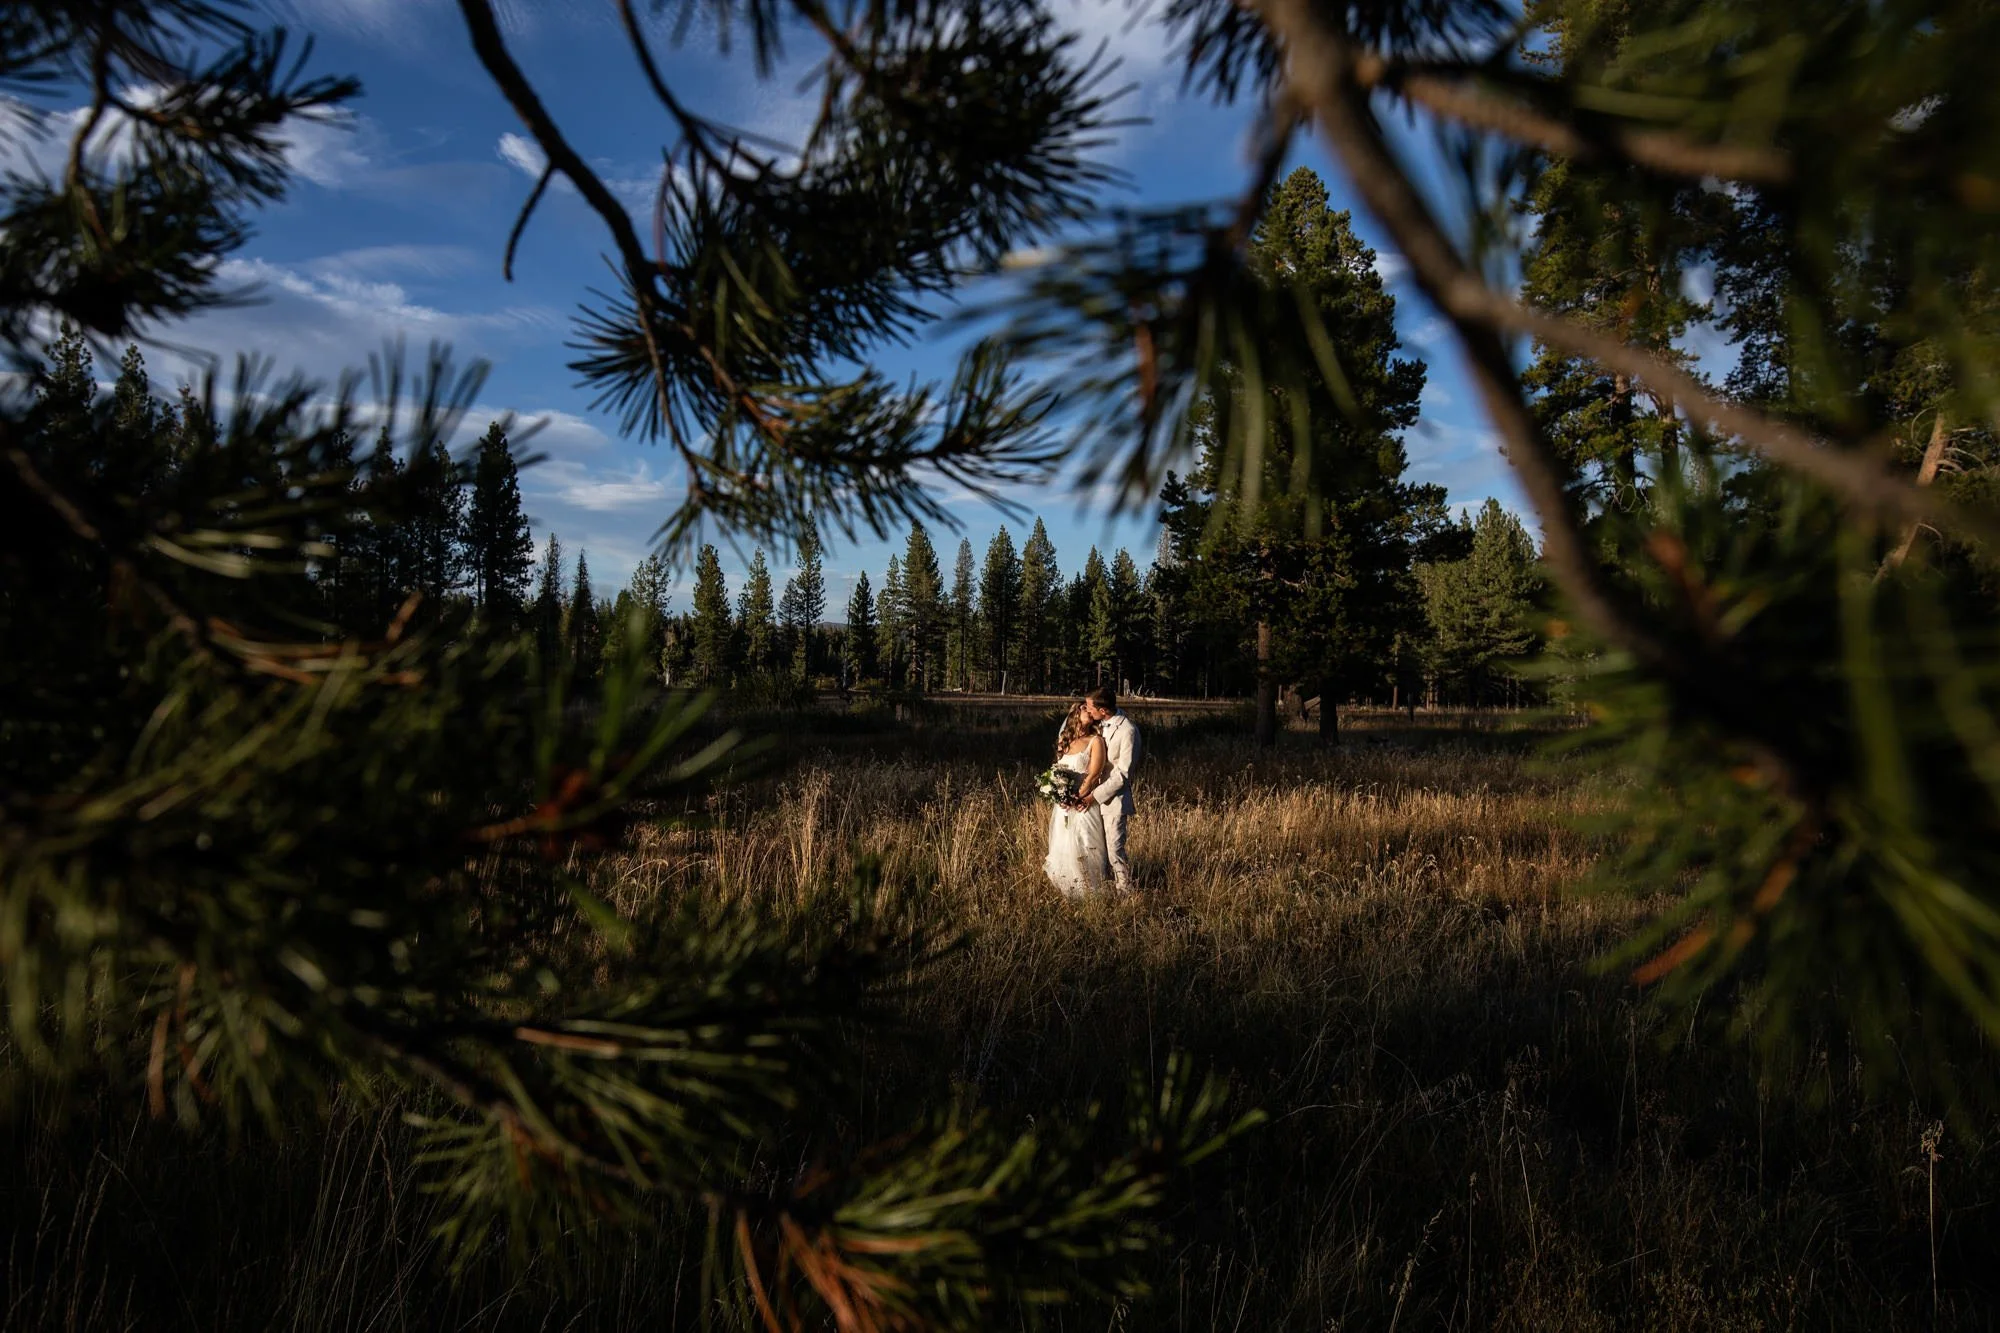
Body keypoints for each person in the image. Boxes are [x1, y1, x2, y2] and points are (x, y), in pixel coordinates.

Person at [1067, 685, 1139, 895]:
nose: (1088, 711)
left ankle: (1126, 892)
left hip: (1112, 799)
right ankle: (1103, 886)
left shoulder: (1128, 731)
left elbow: (1122, 775)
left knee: (1115, 849)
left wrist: (1093, 797)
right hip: (1088, 797)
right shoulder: (1099, 725)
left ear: (1103, 710)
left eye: (1090, 708)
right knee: (1097, 848)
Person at [1043, 701, 1112, 897]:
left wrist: (1076, 798)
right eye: (1084, 708)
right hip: (1064, 806)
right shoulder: (1065, 741)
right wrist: (1059, 795)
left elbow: (1094, 775)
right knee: (1063, 846)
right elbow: (1057, 772)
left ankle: (1091, 893)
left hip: (1083, 804)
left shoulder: (1096, 741)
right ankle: (1067, 890)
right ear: (1075, 713)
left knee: (1085, 845)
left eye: (1090, 708)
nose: (1089, 711)